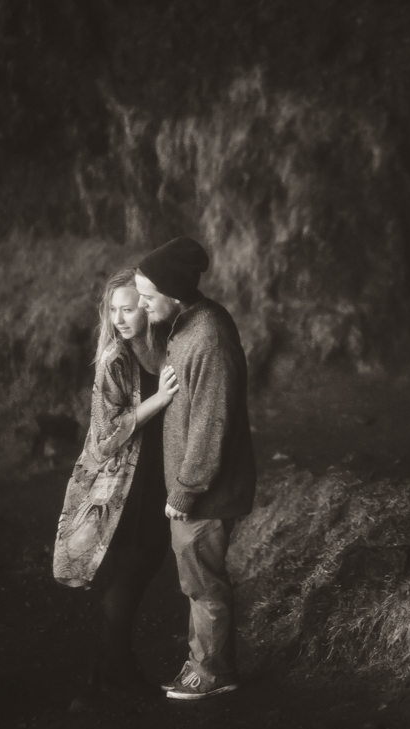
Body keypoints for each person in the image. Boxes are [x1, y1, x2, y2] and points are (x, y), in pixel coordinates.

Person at [134, 236, 257, 700]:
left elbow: (212, 424)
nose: (143, 306)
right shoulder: (187, 323)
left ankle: (214, 672)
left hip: (206, 491)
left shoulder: (208, 338)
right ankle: (203, 663)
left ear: (174, 292)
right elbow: (163, 368)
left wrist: (184, 491)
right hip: (197, 487)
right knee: (197, 578)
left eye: (147, 298)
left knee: (202, 581)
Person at [53, 268, 178, 698]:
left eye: (129, 308)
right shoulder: (116, 360)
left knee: (145, 564)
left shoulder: (161, 347)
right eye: (114, 310)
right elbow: (105, 439)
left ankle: (111, 664)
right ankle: (116, 667)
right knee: (132, 568)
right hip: (126, 482)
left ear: (146, 308)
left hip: (159, 474)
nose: (121, 318)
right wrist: (159, 400)